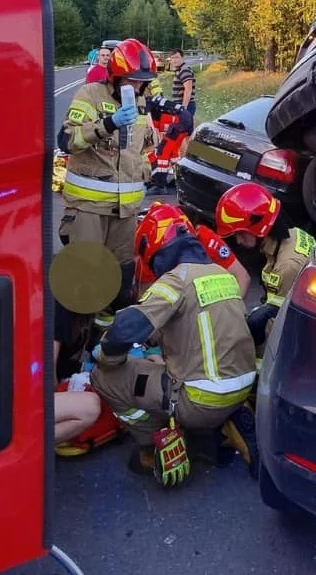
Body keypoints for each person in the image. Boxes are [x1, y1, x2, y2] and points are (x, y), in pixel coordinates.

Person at [89, 203, 259, 484]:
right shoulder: (221, 275)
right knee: (159, 367)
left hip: (200, 401)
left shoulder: (176, 280)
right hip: (241, 387)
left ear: (154, 248)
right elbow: (197, 330)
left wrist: (107, 358)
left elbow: (124, 330)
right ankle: (221, 421)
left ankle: (151, 444)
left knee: (103, 377)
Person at [53, 38, 158, 381]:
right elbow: (67, 141)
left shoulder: (141, 103)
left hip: (125, 214)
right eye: (133, 80)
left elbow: (146, 146)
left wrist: (149, 165)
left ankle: (100, 355)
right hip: (88, 210)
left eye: (143, 80)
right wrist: (107, 126)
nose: (138, 86)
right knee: (82, 288)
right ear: (114, 76)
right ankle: (64, 365)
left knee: (119, 287)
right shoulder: (90, 96)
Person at [214, 182, 316, 349]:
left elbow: (278, 325)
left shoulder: (287, 267)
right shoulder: (293, 235)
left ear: (258, 226)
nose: (238, 241)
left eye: (240, 233)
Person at [146, 49, 196, 194]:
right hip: (182, 117)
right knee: (173, 152)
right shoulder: (153, 101)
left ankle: (160, 185)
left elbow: (153, 131)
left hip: (180, 119)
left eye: (176, 58)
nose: (173, 60)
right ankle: (177, 180)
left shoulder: (148, 103)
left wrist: (156, 145)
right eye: (171, 58)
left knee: (163, 150)